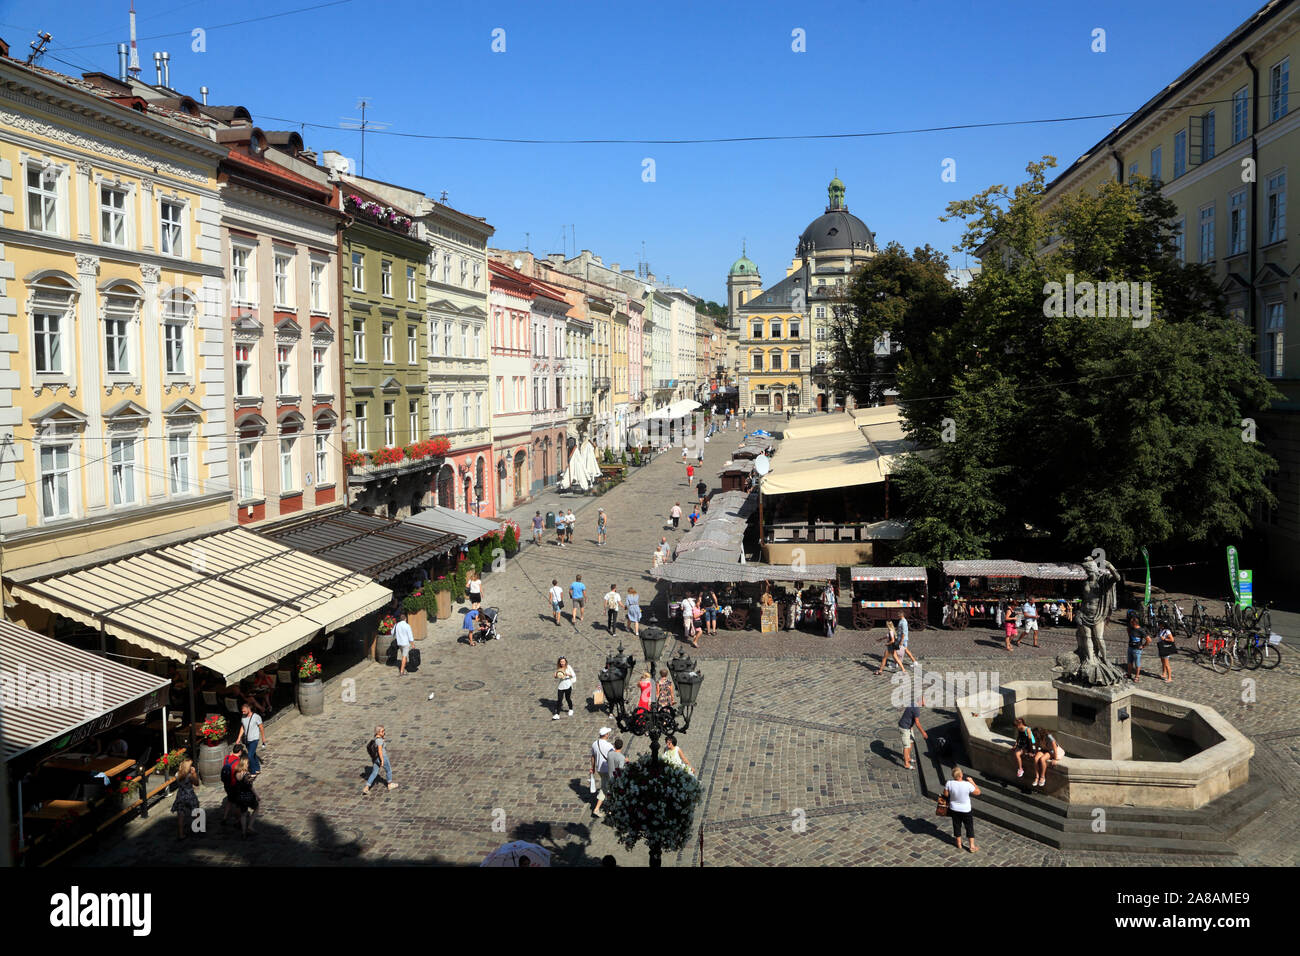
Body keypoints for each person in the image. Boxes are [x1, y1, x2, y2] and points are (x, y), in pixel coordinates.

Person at [944, 767, 980, 852]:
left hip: (954, 809)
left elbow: (945, 794)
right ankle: (971, 846)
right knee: (969, 827)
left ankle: (959, 844)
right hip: (966, 810)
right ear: (961, 775)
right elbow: (978, 792)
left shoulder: (949, 783)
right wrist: (972, 782)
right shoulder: (967, 785)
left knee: (956, 825)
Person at [170, 757, 200, 840]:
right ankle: (197, 828)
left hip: (180, 795)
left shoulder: (177, 774)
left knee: (181, 815)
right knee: (196, 811)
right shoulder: (190, 775)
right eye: (190, 765)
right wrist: (194, 774)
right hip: (190, 795)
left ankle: (181, 834)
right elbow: (197, 783)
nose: (192, 767)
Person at [363, 725, 397, 793]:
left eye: (384, 730)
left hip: (375, 759)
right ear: (378, 732)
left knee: (374, 772)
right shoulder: (379, 741)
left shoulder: (375, 738)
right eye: (382, 731)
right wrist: (382, 760)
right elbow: (380, 751)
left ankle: (367, 787)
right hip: (382, 757)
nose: (384, 732)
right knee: (388, 770)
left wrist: (383, 737)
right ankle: (389, 784)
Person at [234, 702, 265, 774]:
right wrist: (238, 738)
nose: (243, 712)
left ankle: (253, 772)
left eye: (244, 711)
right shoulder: (243, 717)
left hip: (254, 739)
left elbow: (261, 728)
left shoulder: (256, 717)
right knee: (253, 754)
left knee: (249, 756)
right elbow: (243, 727)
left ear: (249, 709)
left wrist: (263, 738)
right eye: (242, 711)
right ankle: (257, 768)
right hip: (247, 739)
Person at [590, 728, 615, 818]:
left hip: (599, 769)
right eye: (608, 733)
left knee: (606, 785)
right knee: (605, 788)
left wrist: (592, 768)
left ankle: (609, 805)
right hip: (608, 770)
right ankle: (597, 809)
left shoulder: (594, 744)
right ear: (606, 735)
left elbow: (593, 757)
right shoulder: (609, 746)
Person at [232, 757, 259, 838]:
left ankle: (243, 832)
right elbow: (250, 785)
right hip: (248, 795)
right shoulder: (246, 774)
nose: (248, 765)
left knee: (243, 814)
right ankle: (250, 826)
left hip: (240, 795)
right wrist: (257, 795)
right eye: (247, 763)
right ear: (244, 764)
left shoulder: (236, 773)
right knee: (256, 808)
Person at [899, 695, 928, 769]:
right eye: (925, 700)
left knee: (911, 741)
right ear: (921, 701)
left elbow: (909, 716)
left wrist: (911, 727)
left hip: (909, 727)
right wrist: (923, 733)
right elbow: (917, 723)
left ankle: (907, 757)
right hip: (904, 727)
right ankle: (906, 764)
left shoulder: (913, 704)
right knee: (906, 745)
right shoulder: (916, 709)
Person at [1126, 612, 1150, 682]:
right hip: (1130, 647)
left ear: (1134, 623)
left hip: (1137, 649)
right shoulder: (1130, 628)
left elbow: (1149, 640)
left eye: (1131, 623)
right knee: (1129, 662)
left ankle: (1137, 676)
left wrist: (1143, 646)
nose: (1130, 624)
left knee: (1137, 663)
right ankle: (1129, 674)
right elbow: (1128, 633)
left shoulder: (1141, 630)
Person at [393, 610, 414, 677]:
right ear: (405, 619)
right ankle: (402, 671)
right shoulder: (407, 626)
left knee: (404, 655)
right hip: (405, 643)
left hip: (399, 643)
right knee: (404, 656)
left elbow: (392, 632)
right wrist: (412, 644)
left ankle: (405, 666)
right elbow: (410, 636)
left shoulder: (396, 625)